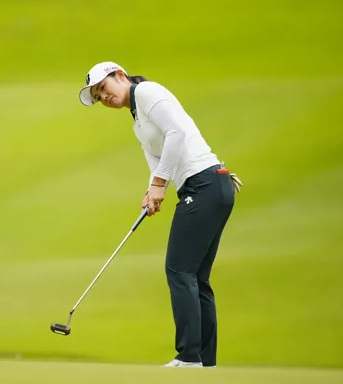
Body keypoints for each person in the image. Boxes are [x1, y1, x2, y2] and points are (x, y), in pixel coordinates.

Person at [78, 61, 242, 368]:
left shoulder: (147, 92)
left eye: (103, 88)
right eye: (98, 97)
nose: (104, 97)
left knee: (179, 271)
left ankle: (189, 357)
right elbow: (157, 163)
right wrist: (152, 191)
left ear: (120, 76)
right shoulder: (137, 122)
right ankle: (205, 362)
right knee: (196, 277)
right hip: (208, 187)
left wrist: (158, 185)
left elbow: (176, 133)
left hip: (205, 183)